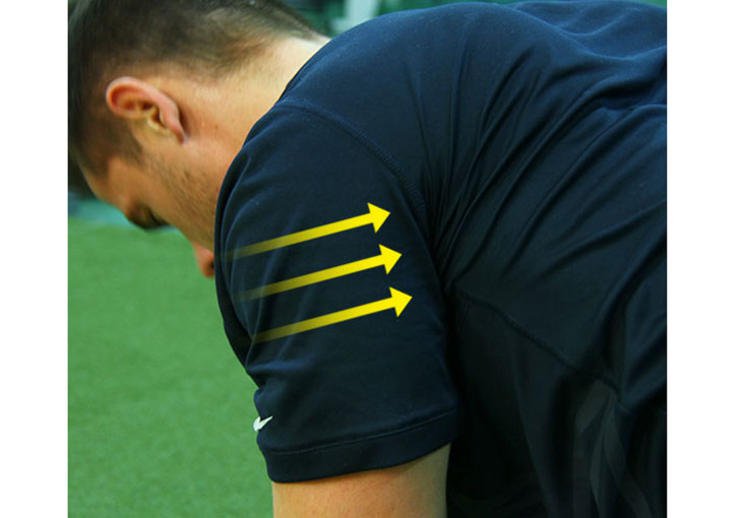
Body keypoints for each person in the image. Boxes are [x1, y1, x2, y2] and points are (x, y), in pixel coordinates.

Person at [68, 0, 666, 515]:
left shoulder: (303, 162)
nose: (205, 258)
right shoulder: (600, 27)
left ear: (149, 112)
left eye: (154, 214)